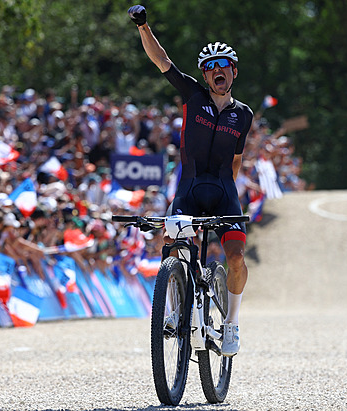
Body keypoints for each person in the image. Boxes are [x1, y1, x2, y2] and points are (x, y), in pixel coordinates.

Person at [128, 5, 254, 357]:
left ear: (233, 73)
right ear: (204, 74)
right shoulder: (193, 96)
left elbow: (237, 159)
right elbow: (161, 60)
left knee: (237, 257)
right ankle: (173, 310)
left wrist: (228, 196)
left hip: (223, 191)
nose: (217, 71)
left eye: (222, 67)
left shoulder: (243, 114)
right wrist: (143, 27)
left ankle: (231, 322)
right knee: (171, 242)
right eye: (210, 67)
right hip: (190, 187)